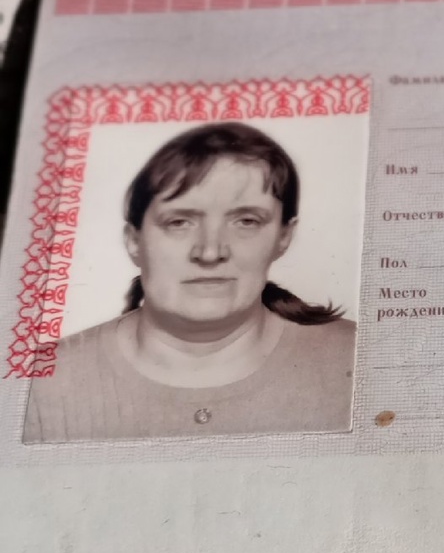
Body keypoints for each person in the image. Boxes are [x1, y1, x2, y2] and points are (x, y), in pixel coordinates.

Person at [25, 122, 356, 442]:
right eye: (179, 222)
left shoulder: (361, 361)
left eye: (246, 221)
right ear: (134, 240)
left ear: (284, 236)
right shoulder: (40, 384)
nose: (210, 251)